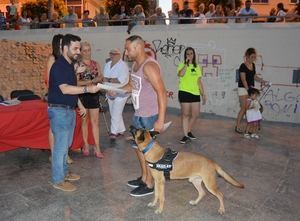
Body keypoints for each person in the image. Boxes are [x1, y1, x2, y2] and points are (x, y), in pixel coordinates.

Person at [48, 34, 101, 192]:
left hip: (68, 110)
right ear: (65, 48)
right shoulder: (59, 66)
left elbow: (71, 89)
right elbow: (65, 89)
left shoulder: (69, 65)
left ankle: (64, 172)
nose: (78, 51)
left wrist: (80, 105)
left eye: (79, 48)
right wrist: (87, 89)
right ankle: (58, 179)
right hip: (59, 111)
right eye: (75, 48)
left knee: (65, 146)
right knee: (60, 147)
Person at [123, 35, 167, 197]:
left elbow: (162, 92)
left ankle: (149, 184)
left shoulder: (149, 67)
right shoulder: (136, 65)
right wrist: (115, 89)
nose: (126, 53)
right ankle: (144, 178)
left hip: (148, 116)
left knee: (146, 151)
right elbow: (131, 86)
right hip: (139, 114)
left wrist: (160, 120)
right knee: (138, 149)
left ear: (138, 47)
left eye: (128, 49)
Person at [77, 42, 104, 158]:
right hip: (83, 94)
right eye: (85, 50)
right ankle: (86, 144)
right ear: (81, 52)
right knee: (84, 121)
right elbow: (76, 82)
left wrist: (99, 80)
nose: (88, 53)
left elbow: (101, 78)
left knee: (95, 122)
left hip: (94, 95)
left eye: (89, 50)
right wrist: (92, 81)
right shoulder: (78, 65)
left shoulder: (96, 64)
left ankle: (97, 147)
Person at [177, 47, 207, 144]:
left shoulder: (197, 67)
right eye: (187, 54)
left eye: (191, 53)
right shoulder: (182, 65)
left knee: (195, 114)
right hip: (184, 92)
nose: (189, 55)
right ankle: (185, 136)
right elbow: (181, 74)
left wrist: (203, 94)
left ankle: (189, 131)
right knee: (185, 115)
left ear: (194, 55)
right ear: (185, 55)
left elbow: (199, 82)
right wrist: (186, 64)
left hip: (195, 93)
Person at [235, 48, 267, 134]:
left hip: (250, 89)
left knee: (250, 109)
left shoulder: (253, 65)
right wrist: (248, 90)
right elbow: (243, 79)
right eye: (252, 57)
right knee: (243, 108)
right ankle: (237, 126)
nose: (253, 59)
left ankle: (249, 129)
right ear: (247, 56)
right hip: (243, 89)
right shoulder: (243, 66)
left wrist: (263, 81)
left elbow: (254, 77)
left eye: (254, 57)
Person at [103, 48, 130, 138]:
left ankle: (113, 132)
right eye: (111, 53)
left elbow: (120, 80)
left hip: (121, 92)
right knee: (113, 111)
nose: (112, 55)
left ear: (119, 55)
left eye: (114, 54)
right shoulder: (107, 64)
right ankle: (121, 129)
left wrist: (109, 79)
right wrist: (107, 82)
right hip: (109, 90)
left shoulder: (123, 66)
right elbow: (104, 77)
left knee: (116, 112)